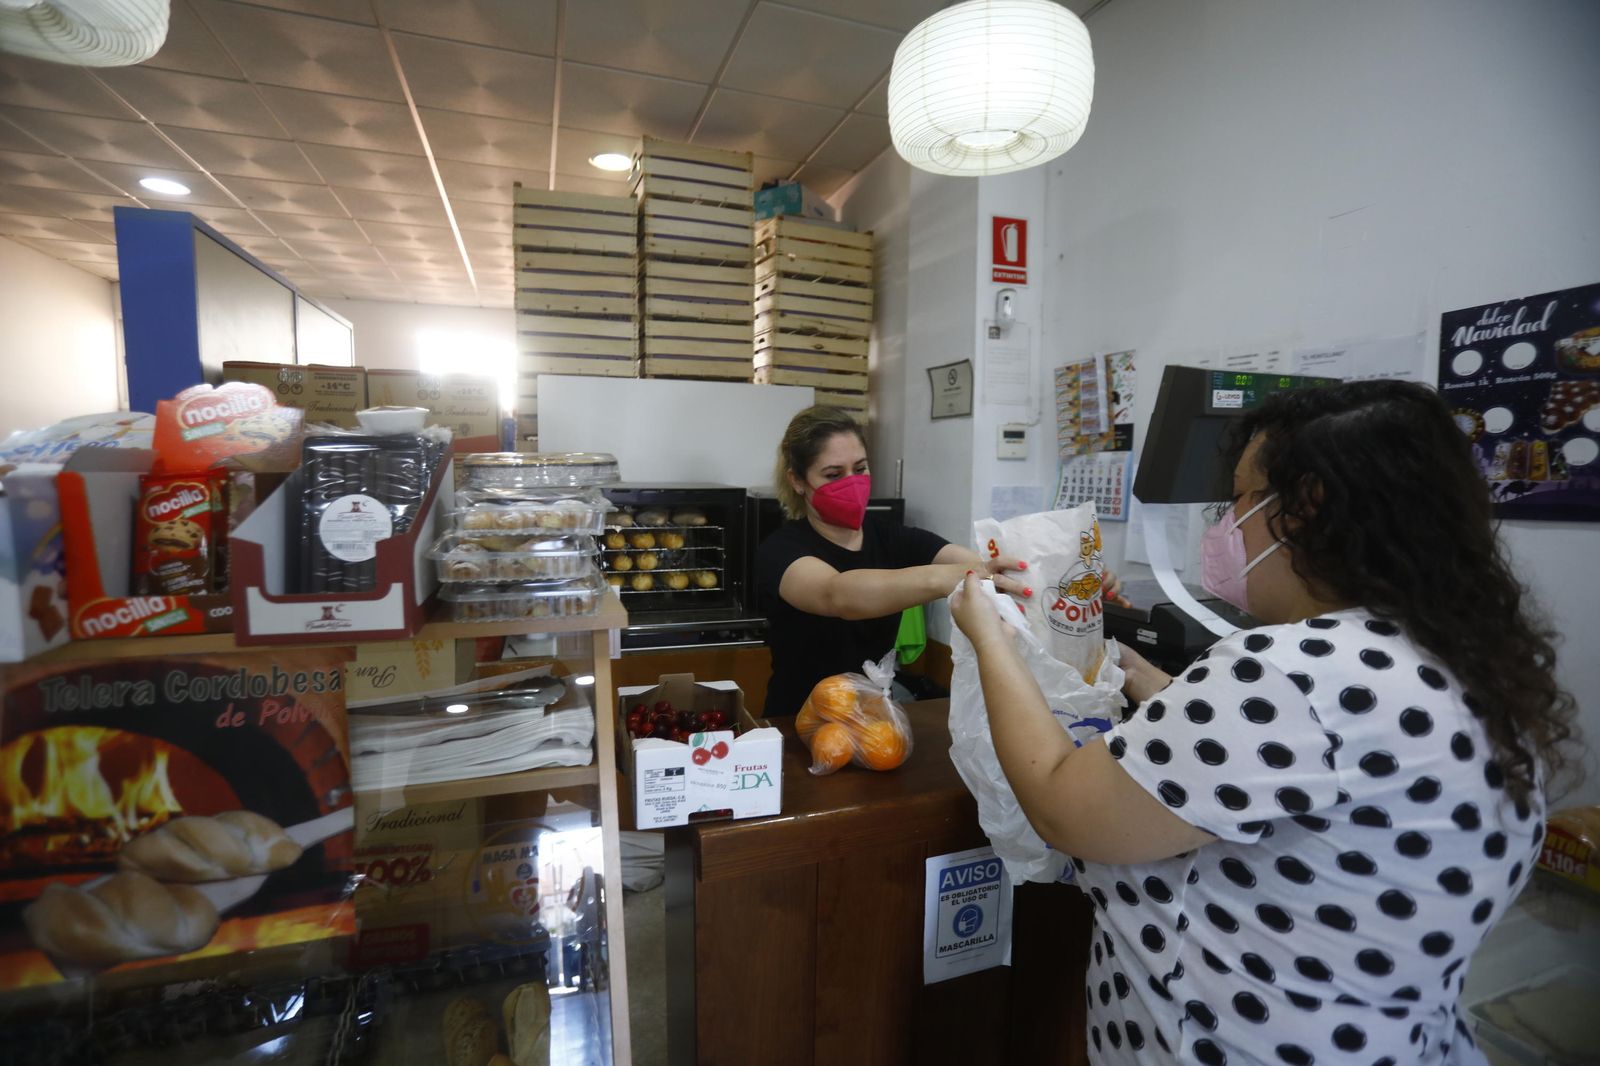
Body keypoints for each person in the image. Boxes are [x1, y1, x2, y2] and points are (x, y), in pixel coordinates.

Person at [950, 380, 1573, 1064]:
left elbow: (1063, 806)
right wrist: (1132, 673)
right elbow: (1282, 764)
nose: (1226, 522)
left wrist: (991, 638)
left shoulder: (1289, 671)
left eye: (1240, 498)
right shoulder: (1463, 654)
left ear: (1306, 507)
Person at [757, 405, 1089, 717]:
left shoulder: (891, 536)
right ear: (798, 480)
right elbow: (837, 594)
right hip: (800, 720)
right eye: (833, 474)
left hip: (873, 718)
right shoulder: (781, 551)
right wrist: (949, 578)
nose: (851, 483)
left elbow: (990, 564)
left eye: (859, 469)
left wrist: (1076, 576)